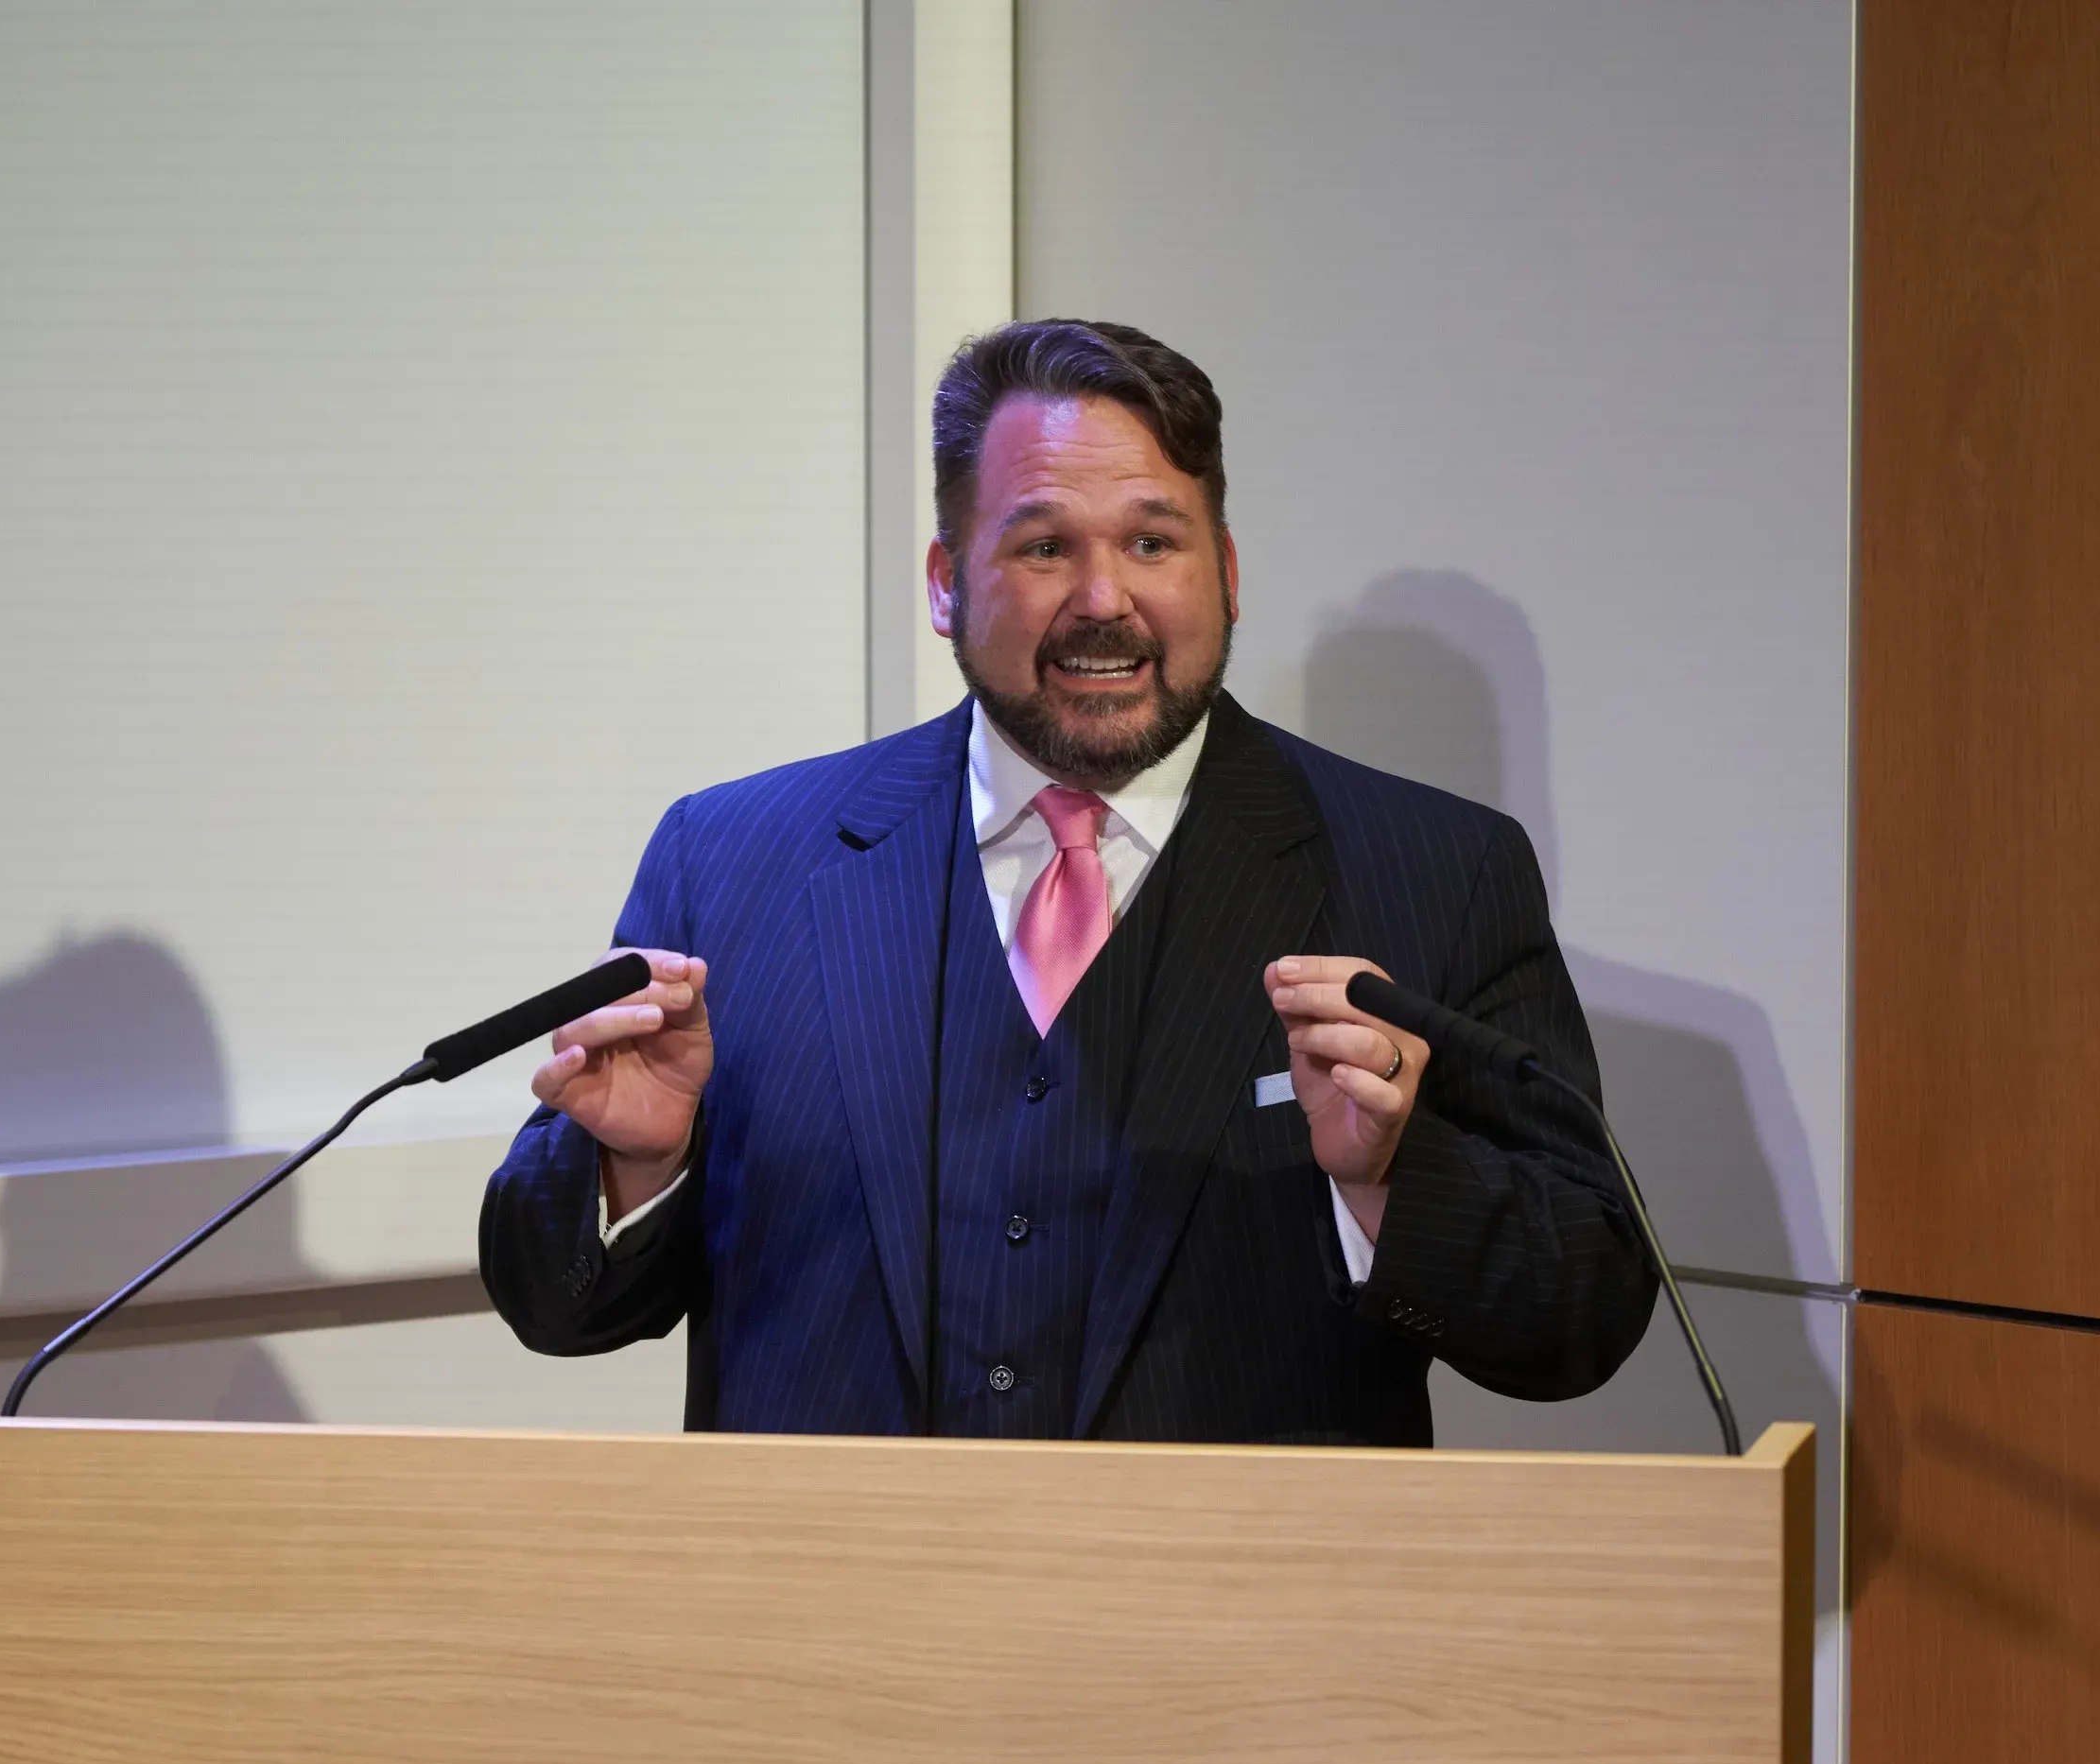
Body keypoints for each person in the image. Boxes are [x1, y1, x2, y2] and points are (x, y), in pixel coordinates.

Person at [479, 319, 1653, 1443]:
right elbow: (558, 1306)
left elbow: (1582, 1319)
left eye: (1153, 541)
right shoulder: (730, 858)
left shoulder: (1439, 870)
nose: (1104, 597)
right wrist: (639, 1164)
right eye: (1044, 546)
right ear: (946, 582)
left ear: (1225, 571)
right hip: (832, 1618)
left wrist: (1393, 1180)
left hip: (1244, 1627)